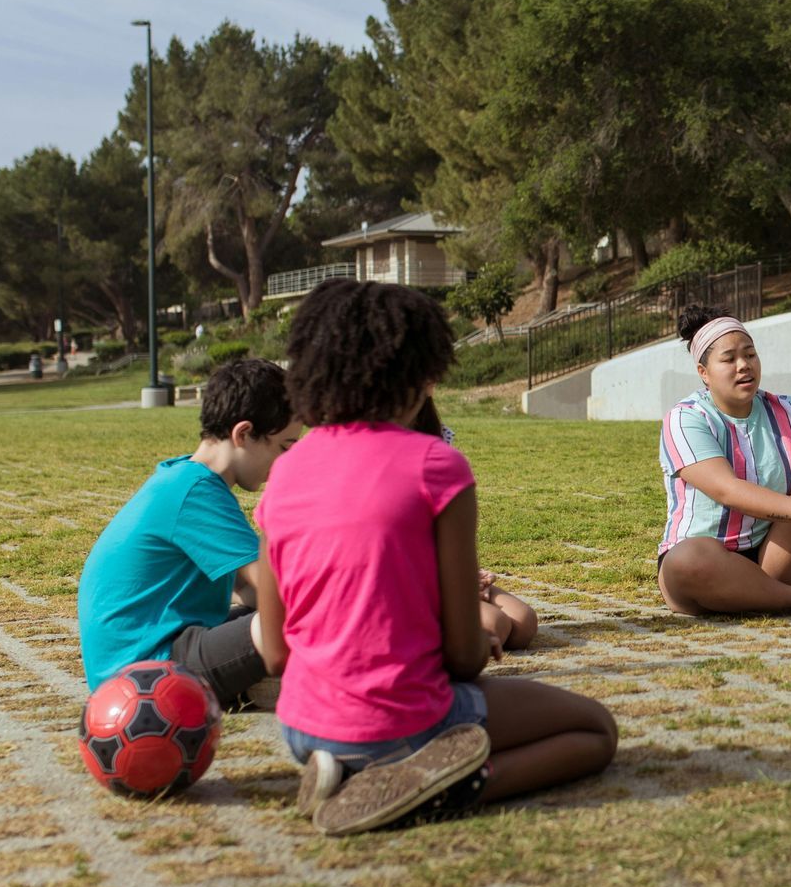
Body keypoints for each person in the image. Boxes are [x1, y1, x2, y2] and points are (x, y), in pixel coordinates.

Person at [256, 278, 616, 837]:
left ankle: (347, 772)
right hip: (403, 719)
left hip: (302, 727)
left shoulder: (284, 472)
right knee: (595, 731)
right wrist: (476, 642)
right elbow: (463, 659)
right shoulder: (435, 464)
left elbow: (277, 654)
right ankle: (431, 789)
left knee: (367, 725)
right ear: (420, 374)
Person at [77, 359, 301, 705]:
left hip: (146, 653)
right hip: (143, 673)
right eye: (285, 447)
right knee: (291, 621)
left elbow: (246, 586)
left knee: (280, 619)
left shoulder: (187, 480)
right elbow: (276, 589)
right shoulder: (197, 492)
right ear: (243, 434)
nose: (287, 463)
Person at [657, 305, 791, 631]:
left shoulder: (787, 409)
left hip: (773, 557)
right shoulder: (686, 418)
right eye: (729, 359)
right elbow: (728, 491)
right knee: (687, 560)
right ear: (704, 372)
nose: (744, 366)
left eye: (750, 355)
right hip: (707, 564)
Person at [411, 398, 539, 652]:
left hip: (445, 571)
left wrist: (468, 577)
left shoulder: (435, 445)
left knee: (524, 623)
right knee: (495, 625)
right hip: (416, 580)